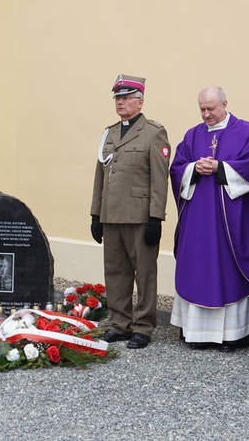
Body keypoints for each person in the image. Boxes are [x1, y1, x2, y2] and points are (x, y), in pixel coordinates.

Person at [170, 86, 249, 352]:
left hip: (231, 220)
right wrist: (193, 169)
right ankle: (197, 333)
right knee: (198, 266)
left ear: (225, 103)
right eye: (202, 109)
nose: (206, 114)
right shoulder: (192, 135)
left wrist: (221, 167)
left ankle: (233, 335)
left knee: (229, 268)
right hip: (197, 219)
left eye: (211, 108)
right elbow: (177, 168)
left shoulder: (248, 131)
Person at [90, 74, 171, 350]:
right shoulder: (110, 133)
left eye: (125, 98)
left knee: (144, 273)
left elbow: (160, 178)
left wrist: (155, 217)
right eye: (117, 98)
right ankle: (119, 323)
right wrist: (95, 214)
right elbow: (100, 176)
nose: (120, 103)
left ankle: (143, 326)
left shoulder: (153, 132)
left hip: (139, 216)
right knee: (116, 272)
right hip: (111, 215)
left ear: (140, 101)